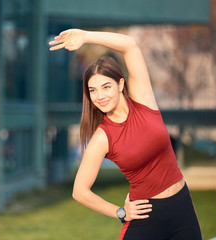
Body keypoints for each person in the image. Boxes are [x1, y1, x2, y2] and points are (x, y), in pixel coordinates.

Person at [49, 29, 202, 240]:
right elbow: (79, 191)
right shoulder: (102, 137)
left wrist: (85, 36)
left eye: (106, 86)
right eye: (93, 90)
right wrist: (120, 212)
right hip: (145, 218)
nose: (100, 96)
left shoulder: (143, 100)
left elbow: (129, 45)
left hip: (182, 207)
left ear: (121, 84)